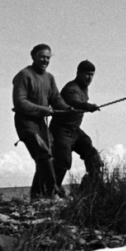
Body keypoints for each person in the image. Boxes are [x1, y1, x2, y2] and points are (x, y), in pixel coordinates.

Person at [13, 44, 78, 199]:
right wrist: (44, 110)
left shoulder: (49, 78)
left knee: (47, 156)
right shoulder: (24, 75)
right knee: (43, 154)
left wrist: (68, 108)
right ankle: (52, 191)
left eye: (48, 57)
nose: (45, 60)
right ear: (33, 56)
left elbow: (56, 99)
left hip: (41, 123)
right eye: (42, 56)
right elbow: (20, 102)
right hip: (25, 122)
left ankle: (37, 195)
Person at [47, 60, 103, 197]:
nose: (89, 78)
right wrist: (87, 106)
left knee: (91, 153)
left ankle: (93, 187)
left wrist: (86, 106)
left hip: (74, 130)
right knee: (63, 162)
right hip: (61, 130)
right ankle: (51, 192)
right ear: (78, 73)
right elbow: (73, 102)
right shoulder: (71, 88)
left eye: (92, 75)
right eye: (86, 74)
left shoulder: (84, 88)